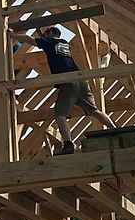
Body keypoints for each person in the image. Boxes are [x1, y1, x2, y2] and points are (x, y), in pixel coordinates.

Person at [12, 25, 116, 155]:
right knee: (94, 111)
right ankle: (115, 130)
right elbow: (48, 40)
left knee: (60, 115)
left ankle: (68, 144)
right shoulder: (64, 43)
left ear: (49, 34)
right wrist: (41, 33)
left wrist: (12, 35)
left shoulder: (48, 43)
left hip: (67, 82)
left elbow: (28, 38)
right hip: (82, 82)